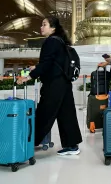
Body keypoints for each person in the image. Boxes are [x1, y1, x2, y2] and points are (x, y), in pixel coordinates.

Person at [17, 16, 83, 156]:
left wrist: (28, 77)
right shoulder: (61, 42)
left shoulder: (50, 42)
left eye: (44, 24)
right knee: (66, 114)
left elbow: (46, 64)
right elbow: (54, 62)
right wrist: (37, 67)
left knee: (43, 114)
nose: (41, 27)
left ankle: (28, 142)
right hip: (64, 83)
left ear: (53, 28)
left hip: (53, 84)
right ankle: (72, 145)